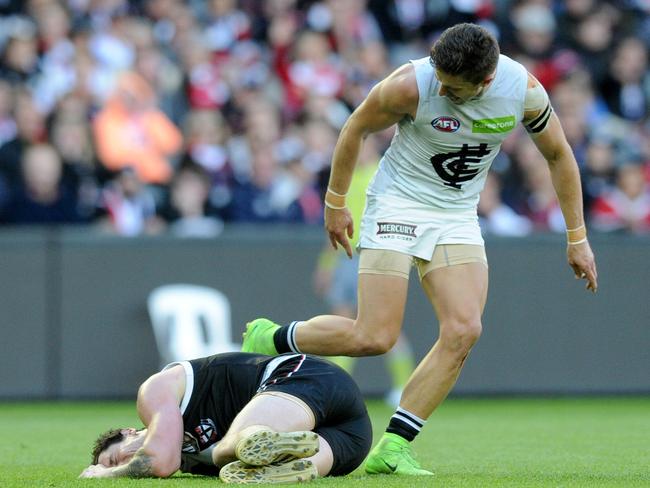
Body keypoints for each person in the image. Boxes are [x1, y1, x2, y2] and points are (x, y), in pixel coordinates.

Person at [241, 23, 598, 476]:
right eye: (440, 81)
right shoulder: (409, 85)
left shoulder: (523, 91)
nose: (443, 90)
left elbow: (559, 155)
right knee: (374, 337)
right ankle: (271, 337)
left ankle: (392, 448)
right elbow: (355, 129)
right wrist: (334, 204)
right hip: (398, 204)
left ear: (486, 81)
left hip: (455, 215)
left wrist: (577, 237)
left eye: (455, 89)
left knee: (465, 330)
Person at [79, 352, 371, 484]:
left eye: (117, 458)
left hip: (307, 377)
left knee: (224, 453)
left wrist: (105, 474)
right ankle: (279, 469)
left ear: (129, 432)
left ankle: (261, 443)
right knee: (242, 465)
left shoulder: (154, 392)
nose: (127, 465)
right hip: (351, 437)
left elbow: (158, 461)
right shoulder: (191, 463)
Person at [313, 135, 416, 407]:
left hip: (372, 254)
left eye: (363, 145)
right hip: (346, 257)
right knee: (342, 321)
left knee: (383, 324)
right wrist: (327, 265)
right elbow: (333, 224)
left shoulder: (384, 173)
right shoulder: (344, 179)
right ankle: (337, 387)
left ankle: (404, 386)